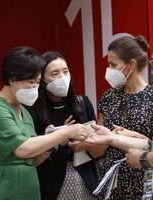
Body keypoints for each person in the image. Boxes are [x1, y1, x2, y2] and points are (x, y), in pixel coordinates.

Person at [0, 47, 89, 200]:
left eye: (37, 82)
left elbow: (32, 159)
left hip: (29, 192)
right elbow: (23, 148)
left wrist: (51, 143)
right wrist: (65, 132)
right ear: (13, 79)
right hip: (3, 191)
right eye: (31, 82)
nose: (35, 87)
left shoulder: (24, 111)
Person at [27, 51, 97, 200]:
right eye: (55, 74)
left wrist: (87, 143)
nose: (62, 78)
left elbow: (98, 147)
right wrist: (59, 140)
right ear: (42, 80)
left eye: (65, 71)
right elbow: (32, 155)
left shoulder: (82, 103)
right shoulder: (33, 111)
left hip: (85, 179)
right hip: (50, 183)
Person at [93, 35, 153, 199]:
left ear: (131, 64)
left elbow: (151, 145)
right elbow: (97, 151)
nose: (109, 70)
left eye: (113, 65)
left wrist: (116, 137)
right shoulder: (108, 97)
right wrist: (90, 140)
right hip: (111, 182)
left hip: (144, 181)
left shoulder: (151, 97)